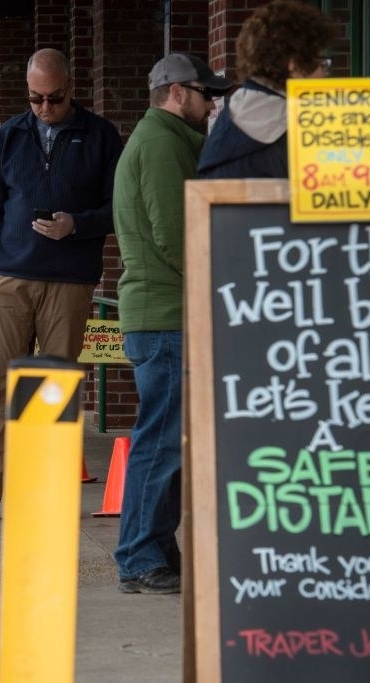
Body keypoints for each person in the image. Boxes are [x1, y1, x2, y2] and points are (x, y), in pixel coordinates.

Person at [0, 48, 123, 524]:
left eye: (55, 98)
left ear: (71, 87)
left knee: (55, 387)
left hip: (70, 277)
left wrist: (78, 225)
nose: (45, 108)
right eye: (36, 99)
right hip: (8, 274)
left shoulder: (102, 137)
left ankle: (44, 487)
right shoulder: (10, 135)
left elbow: (119, 207)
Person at [112, 54, 234, 594]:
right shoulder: (161, 142)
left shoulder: (164, 138)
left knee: (166, 441)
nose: (212, 106)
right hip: (165, 315)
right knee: (160, 441)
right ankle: (139, 557)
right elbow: (176, 234)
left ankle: (155, 547)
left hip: (162, 315)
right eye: (206, 96)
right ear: (177, 93)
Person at [197, 0, 334, 179]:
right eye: (321, 63)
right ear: (294, 66)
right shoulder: (297, 128)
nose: (324, 75)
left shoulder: (231, 119)